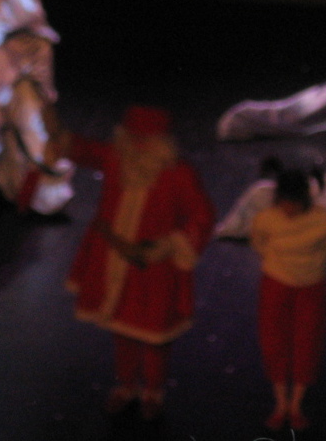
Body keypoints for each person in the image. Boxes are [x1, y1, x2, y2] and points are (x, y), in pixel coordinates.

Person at [61, 105, 214, 420]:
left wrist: (169, 245)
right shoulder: (117, 160)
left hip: (153, 270)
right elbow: (85, 150)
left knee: (154, 334)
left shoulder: (178, 174)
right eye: (133, 138)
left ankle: (153, 390)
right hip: (115, 262)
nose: (139, 146)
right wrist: (56, 134)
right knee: (122, 328)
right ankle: (126, 385)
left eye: (145, 140)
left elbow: (202, 216)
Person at [250, 161, 326, 431]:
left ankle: (295, 405)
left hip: (309, 287)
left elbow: (260, 245)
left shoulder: (322, 220)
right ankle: (281, 403)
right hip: (278, 285)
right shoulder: (268, 219)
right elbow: (259, 242)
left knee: (307, 342)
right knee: (274, 340)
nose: (289, 209)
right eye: (285, 203)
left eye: (294, 203)